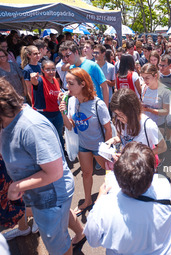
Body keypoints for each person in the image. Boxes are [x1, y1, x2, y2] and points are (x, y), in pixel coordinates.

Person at [0, 72, 77, 255]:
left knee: (57, 245)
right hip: (40, 196)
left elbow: (55, 172)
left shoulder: (30, 127)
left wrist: (16, 186)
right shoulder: (7, 122)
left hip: (51, 198)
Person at [83, 141, 171, 254]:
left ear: (118, 179)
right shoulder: (163, 185)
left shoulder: (104, 208)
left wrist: (99, 199)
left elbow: (93, 240)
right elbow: (141, 174)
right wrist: (127, 165)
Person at [59, 68, 112, 214]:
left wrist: (107, 149)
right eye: (67, 83)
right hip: (83, 147)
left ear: (82, 84)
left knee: (110, 175)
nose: (67, 87)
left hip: (99, 147)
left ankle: (111, 200)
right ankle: (88, 200)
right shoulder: (72, 102)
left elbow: (108, 129)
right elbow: (70, 126)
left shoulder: (98, 104)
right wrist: (63, 113)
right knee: (86, 173)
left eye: (70, 83)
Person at [105, 88, 166, 157]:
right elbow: (121, 137)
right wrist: (113, 140)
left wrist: (140, 156)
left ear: (132, 111)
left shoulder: (149, 125)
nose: (118, 118)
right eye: (116, 114)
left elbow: (162, 147)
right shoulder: (120, 121)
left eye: (121, 114)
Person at [59, 41, 109, 107]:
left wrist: (105, 108)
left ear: (76, 52)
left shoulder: (92, 65)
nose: (66, 59)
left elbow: (105, 87)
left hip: (94, 107)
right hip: (79, 108)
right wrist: (66, 94)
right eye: (64, 56)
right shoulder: (71, 68)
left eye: (68, 55)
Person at [29, 60, 64, 148]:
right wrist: (33, 79)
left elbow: (57, 93)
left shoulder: (55, 80)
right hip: (44, 116)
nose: (51, 72)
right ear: (42, 70)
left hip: (57, 114)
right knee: (47, 138)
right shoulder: (40, 80)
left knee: (59, 135)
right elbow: (35, 83)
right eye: (48, 69)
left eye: (53, 69)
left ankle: (62, 152)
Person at [141, 63, 171, 150]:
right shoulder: (144, 88)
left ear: (155, 76)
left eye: (147, 78)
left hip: (158, 125)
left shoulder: (165, 91)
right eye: (143, 78)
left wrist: (150, 110)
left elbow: (166, 111)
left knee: (158, 150)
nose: (145, 80)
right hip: (145, 125)